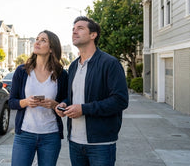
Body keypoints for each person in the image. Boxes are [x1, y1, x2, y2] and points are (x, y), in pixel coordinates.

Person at [55, 16, 129, 166]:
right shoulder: (74, 66)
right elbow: (74, 97)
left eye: (80, 28)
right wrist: (64, 104)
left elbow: (120, 100)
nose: (74, 32)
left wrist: (84, 109)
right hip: (74, 141)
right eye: (73, 29)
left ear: (93, 35)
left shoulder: (110, 63)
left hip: (101, 143)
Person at [9, 30, 68, 166]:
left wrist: (55, 105)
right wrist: (26, 102)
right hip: (24, 134)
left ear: (52, 49)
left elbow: (67, 100)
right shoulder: (22, 71)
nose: (37, 42)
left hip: (51, 136)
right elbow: (12, 102)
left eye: (43, 40)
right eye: (37, 39)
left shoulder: (61, 74)